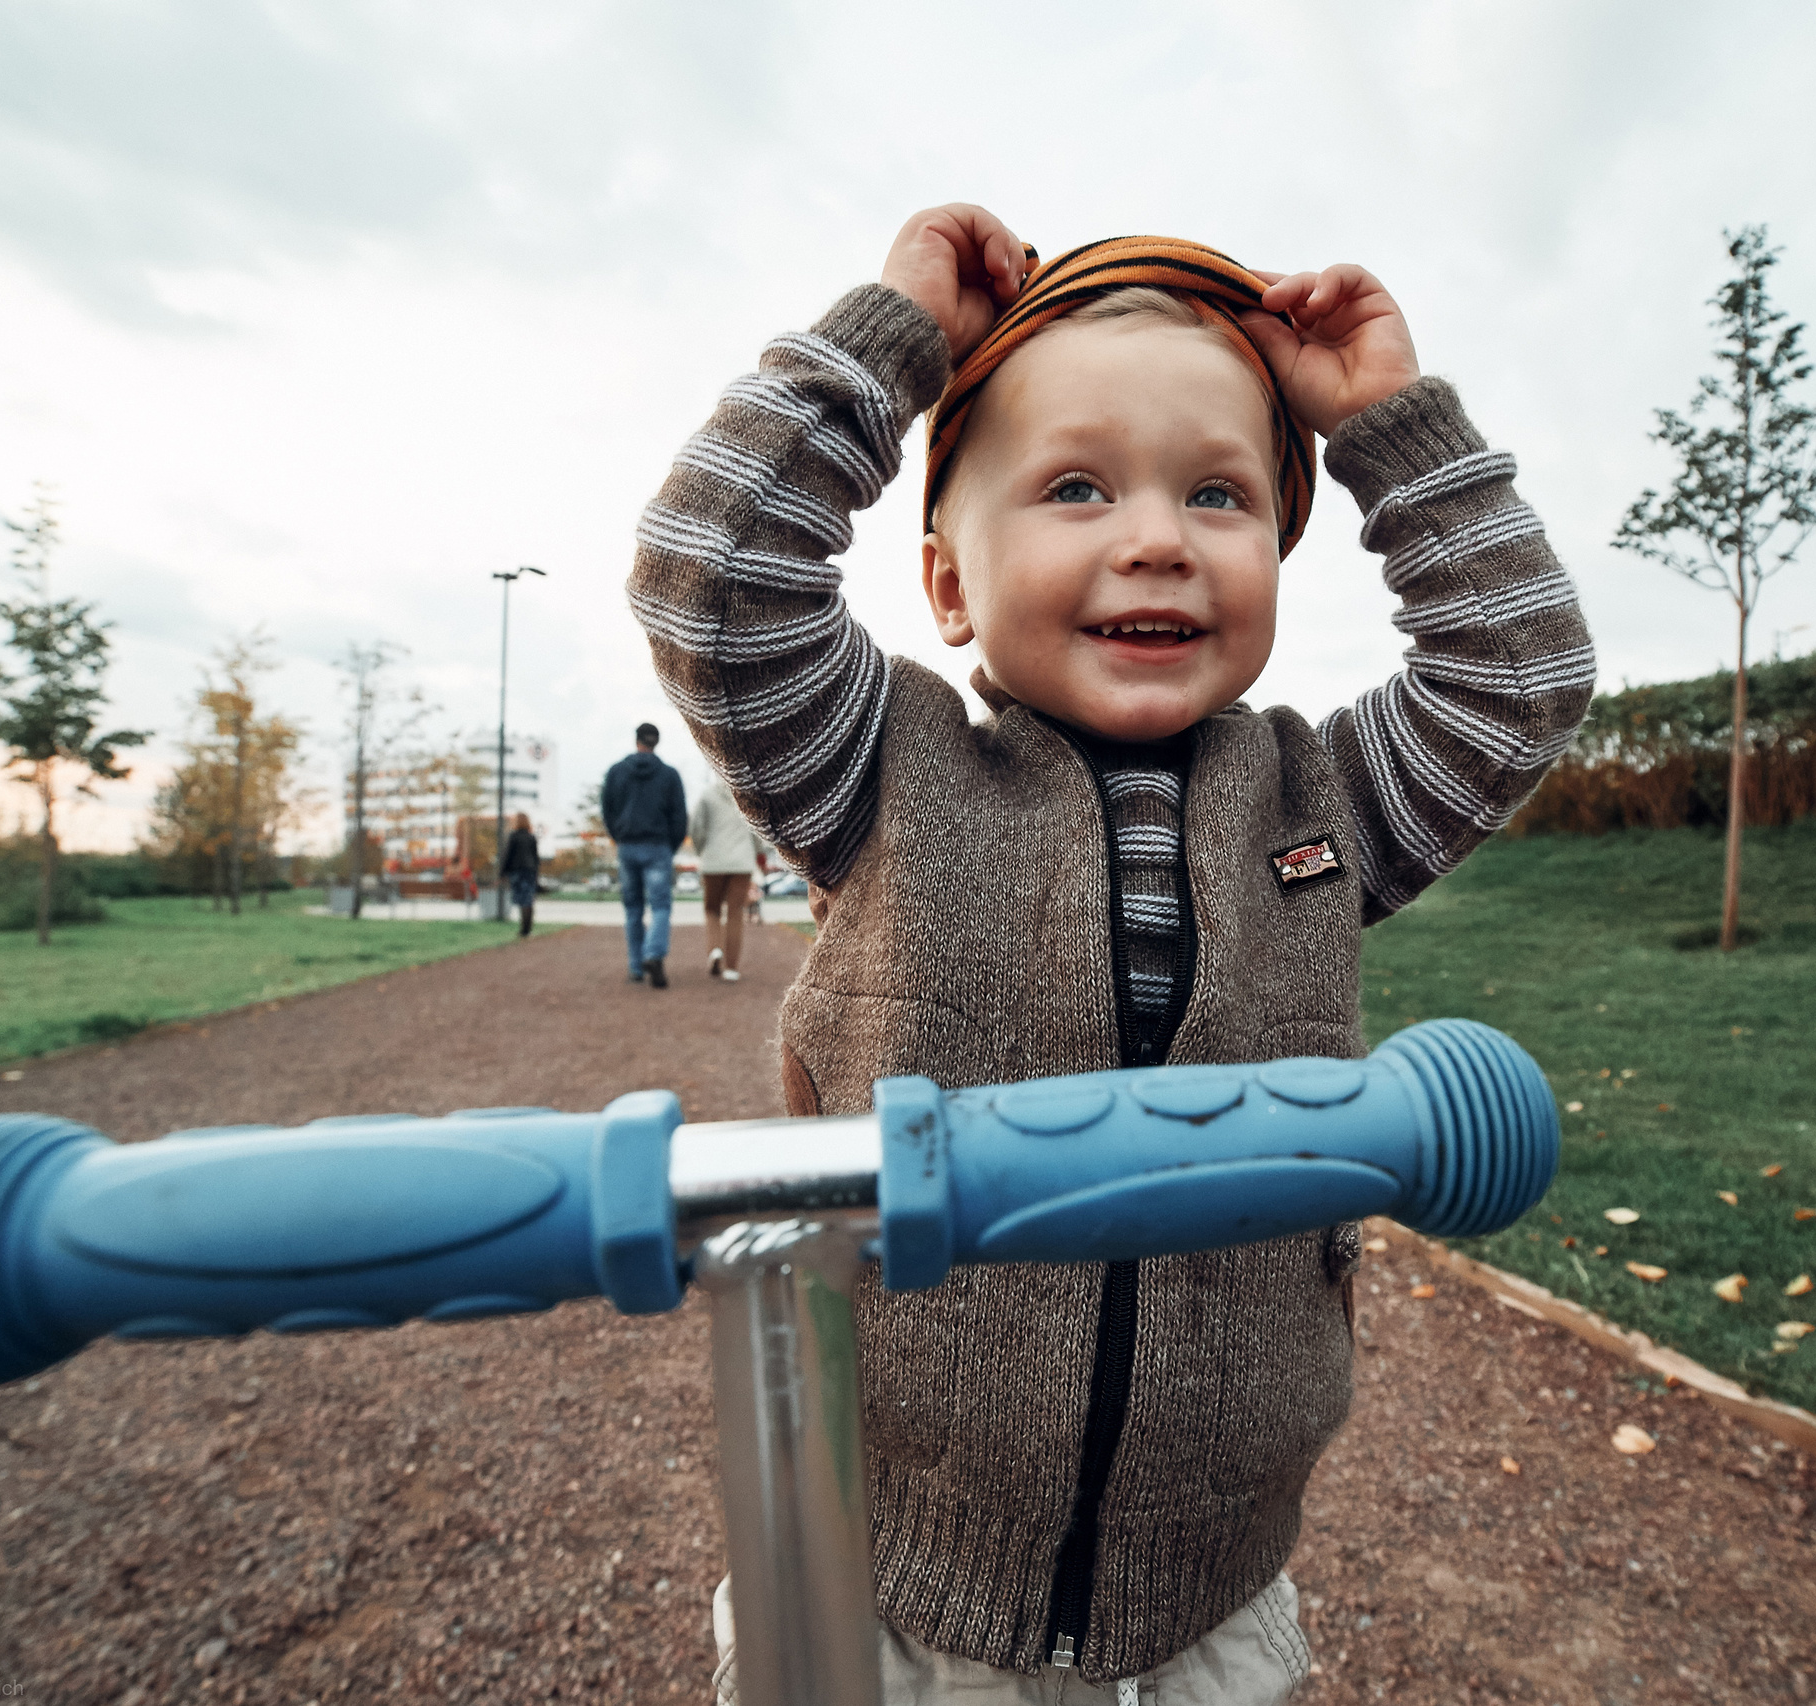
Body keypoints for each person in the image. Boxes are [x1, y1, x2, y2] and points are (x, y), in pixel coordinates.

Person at [631, 208, 1593, 1702]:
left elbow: (1520, 672)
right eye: (1076, 486)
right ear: (948, 584)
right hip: (891, 1590)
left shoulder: (1323, 807)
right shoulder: (879, 778)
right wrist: (891, 345)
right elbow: (714, 576)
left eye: (1220, 495)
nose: (1156, 534)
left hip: (1209, 1595)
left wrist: (1391, 427)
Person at [601, 721, 687, 986]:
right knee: (660, 906)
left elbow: (607, 809)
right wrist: (669, 846)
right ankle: (653, 953)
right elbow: (679, 817)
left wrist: (619, 835)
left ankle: (636, 966)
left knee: (633, 908)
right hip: (658, 845)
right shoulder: (670, 775)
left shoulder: (616, 772)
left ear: (636, 740)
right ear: (656, 742)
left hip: (627, 845)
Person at [687, 778, 767, 981]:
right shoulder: (747, 796)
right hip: (742, 862)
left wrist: (701, 851)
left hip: (713, 862)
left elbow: (696, 828)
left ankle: (715, 949)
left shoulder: (707, 796)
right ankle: (731, 968)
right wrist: (760, 854)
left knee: (712, 909)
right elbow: (758, 829)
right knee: (735, 912)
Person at [499, 811, 542, 937]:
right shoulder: (531, 837)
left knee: (522, 900)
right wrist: (536, 875)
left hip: (517, 872)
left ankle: (524, 930)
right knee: (528, 899)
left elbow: (508, 856)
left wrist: (502, 874)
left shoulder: (514, 836)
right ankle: (527, 929)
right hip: (530, 872)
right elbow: (536, 858)